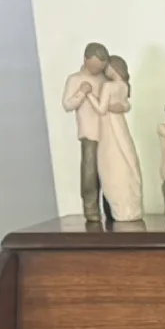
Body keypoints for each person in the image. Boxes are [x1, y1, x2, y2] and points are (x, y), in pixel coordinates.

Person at [89, 55, 144, 222]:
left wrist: (89, 95)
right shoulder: (124, 86)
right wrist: (121, 106)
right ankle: (132, 208)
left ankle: (121, 210)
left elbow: (101, 109)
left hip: (108, 126)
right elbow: (125, 105)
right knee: (126, 158)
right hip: (120, 125)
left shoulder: (108, 86)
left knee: (112, 164)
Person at [61, 42, 108, 222]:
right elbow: (67, 105)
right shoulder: (75, 79)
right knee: (90, 171)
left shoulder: (105, 79)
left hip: (109, 132)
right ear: (85, 59)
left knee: (109, 170)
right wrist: (81, 93)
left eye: (101, 66)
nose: (98, 69)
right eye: (95, 65)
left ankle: (111, 208)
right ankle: (91, 209)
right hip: (89, 132)